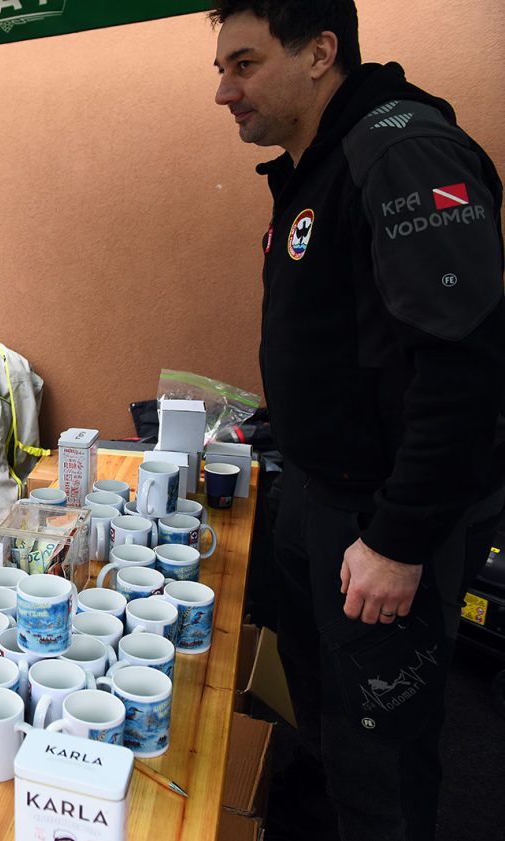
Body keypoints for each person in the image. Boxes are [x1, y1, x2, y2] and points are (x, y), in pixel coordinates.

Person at [210, 3, 505, 839]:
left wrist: (401, 541)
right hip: (316, 491)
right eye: (220, 69)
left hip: (383, 517)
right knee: (323, 705)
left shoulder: (401, 152)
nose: (224, 92)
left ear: (321, 53)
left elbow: (463, 371)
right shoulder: (316, 160)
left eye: (244, 63)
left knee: (382, 743)